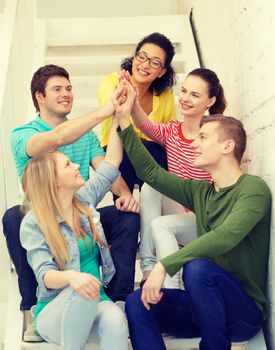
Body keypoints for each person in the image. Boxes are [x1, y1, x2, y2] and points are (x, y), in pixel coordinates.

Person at [112, 85, 271, 350]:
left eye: (203, 138)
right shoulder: (200, 192)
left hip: (243, 312)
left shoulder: (252, 189)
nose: (194, 143)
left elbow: (226, 236)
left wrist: (163, 265)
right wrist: (124, 120)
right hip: (204, 309)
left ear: (227, 146)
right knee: (137, 301)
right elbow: (150, 172)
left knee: (197, 268)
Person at [2, 64, 139, 341]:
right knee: (14, 216)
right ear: (39, 97)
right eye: (57, 89)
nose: (66, 94)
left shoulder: (86, 141)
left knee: (126, 215)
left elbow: (108, 166)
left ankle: (119, 298)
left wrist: (125, 195)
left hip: (76, 206)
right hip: (41, 213)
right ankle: (31, 305)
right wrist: (106, 110)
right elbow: (58, 138)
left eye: (69, 88)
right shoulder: (23, 134)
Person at [19, 118, 128, 350]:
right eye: (68, 165)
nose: (78, 166)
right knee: (82, 292)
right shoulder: (34, 223)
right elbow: (45, 274)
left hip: (95, 299)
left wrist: (118, 118)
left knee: (116, 319)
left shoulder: (84, 200)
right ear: (54, 181)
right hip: (54, 310)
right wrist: (72, 278)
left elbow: (111, 163)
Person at [121, 68, 226, 286]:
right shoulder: (172, 131)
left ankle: (170, 283)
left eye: (195, 95)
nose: (185, 99)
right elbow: (143, 123)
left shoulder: (213, 135)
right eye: (184, 91)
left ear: (210, 101)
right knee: (150, 188)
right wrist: (132, 97)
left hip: (202, 218)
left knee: (163, 223)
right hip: (177, 209)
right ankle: (149, 269)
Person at [97, 32, 177, 196]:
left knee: (155, 153)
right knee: (125, 152)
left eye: (155, 62)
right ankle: (126, 207)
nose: (145, 65)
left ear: (162, 71)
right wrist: (125, 94)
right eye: (142, 57)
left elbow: (169, 136)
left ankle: (150, 206)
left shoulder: (165, 95)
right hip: (118, 151)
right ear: (134, 58)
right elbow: (112, 108)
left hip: (151, 157)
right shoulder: (112, 81)